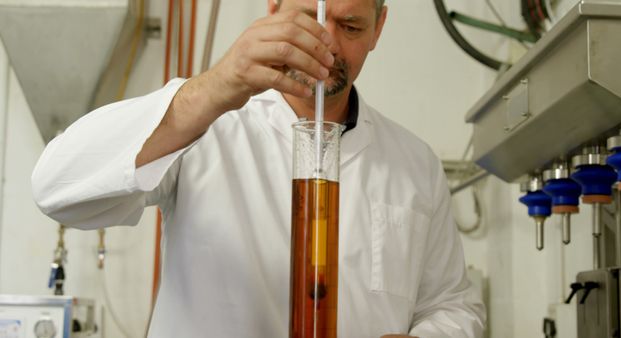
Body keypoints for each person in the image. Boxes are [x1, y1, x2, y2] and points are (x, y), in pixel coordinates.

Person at [32, 0, 486, 336]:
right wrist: (213, 88)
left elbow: (452, 306)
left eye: (349, 25)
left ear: (378, 27)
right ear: (274, 8)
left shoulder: (415, 164)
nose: (326, 45)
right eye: (309, 18)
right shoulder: (208, 124)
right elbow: (55, 187)